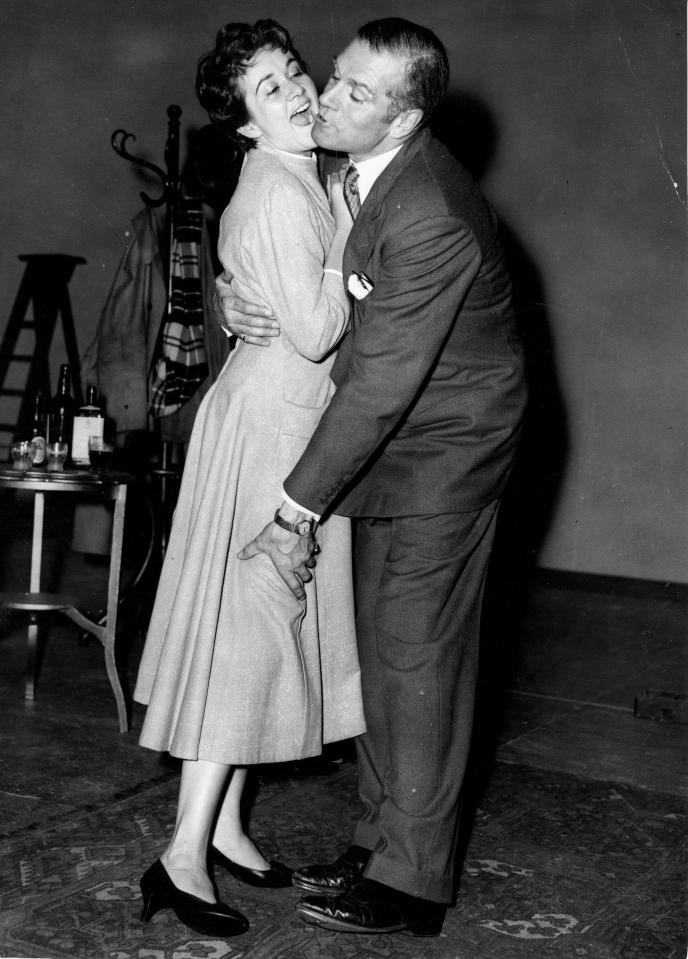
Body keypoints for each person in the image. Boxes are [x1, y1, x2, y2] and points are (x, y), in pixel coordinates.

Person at [217, 17, 528, 937]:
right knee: (388, 656)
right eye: (336, 74)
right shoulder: (349, 161)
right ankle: (379, 840)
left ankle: (411, 885)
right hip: (397, 438)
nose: (328, 95)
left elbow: (384, 380)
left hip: (446, 450)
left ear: (402, 119)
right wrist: (242, 298)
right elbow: (299, 256)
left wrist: (292, 510)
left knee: (418, 658)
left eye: (356, 93)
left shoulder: (429, 208)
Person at [133, 19, 366, 938]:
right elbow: (313, 331)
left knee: (259, 630)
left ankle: (226, 824)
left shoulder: (292, 177)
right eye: (272, 88)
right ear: (244, 125)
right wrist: (353, 232)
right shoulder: (278, 189)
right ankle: (181, 855)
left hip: (276, 418)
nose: (300, 91)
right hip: (270, 430)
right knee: (250, 637)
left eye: (295, 71)